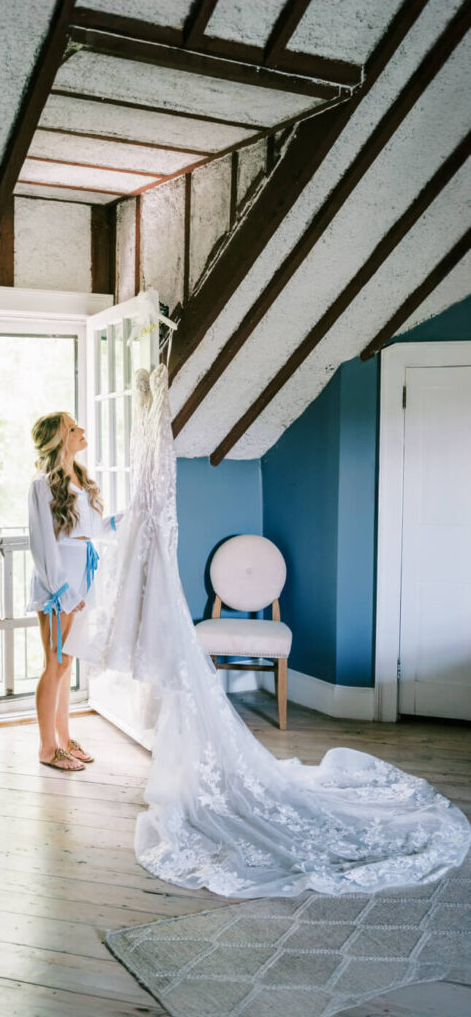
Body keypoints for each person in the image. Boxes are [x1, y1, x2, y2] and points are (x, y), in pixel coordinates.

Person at [77, 364, 471, 898]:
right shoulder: (151, 417)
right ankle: (183, 774)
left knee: (180, 678)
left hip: (157, 559)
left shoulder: (156, 420)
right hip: (150, 556)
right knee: (176, 678)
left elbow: (160, 506)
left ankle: (190, 779)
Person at [26, 412, 121, 771]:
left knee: (67, 664)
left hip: (82, 572)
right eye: (73, 427)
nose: (82, 431)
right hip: (58, 580)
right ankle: (47, 748)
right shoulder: (41, 484)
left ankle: (64, 739)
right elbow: (42, 546)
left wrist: (133, 515)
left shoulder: (78, 477)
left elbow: (97, 528)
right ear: (59, 438)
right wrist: (62, 591)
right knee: (55, 663)